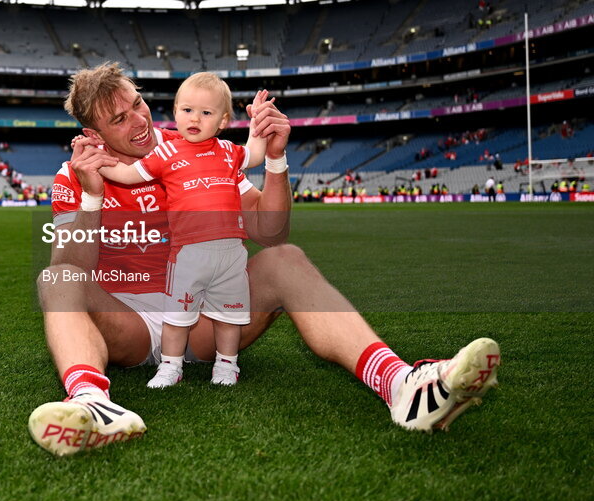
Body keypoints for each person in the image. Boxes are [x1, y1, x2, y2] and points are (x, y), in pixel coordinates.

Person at [28, 62, 501, 457]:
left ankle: (401, 386)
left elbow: (268, 230)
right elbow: (73, 268)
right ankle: (93, 404)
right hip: (128, 321)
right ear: (94, 132)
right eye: (120, 119)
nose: (139, 120)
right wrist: (92, 197)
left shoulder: (198, 144)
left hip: (203, 321)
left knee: (285, 259)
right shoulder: (76, 174)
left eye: (138, 103)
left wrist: (275, 160)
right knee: (55, 276)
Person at [91, 73, 266, 388]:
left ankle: (227, 366)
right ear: (175, 112)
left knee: (228, 318)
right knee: (176, 316)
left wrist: (259, 126)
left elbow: (256, 152)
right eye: (186, 110)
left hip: (230, 253)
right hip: (187, 252)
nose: (194, 118)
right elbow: (128, 174)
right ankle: (170, 367)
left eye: (206, 113)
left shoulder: (229, 151)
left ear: (223, 121)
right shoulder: (166, 153)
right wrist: (97, 160)